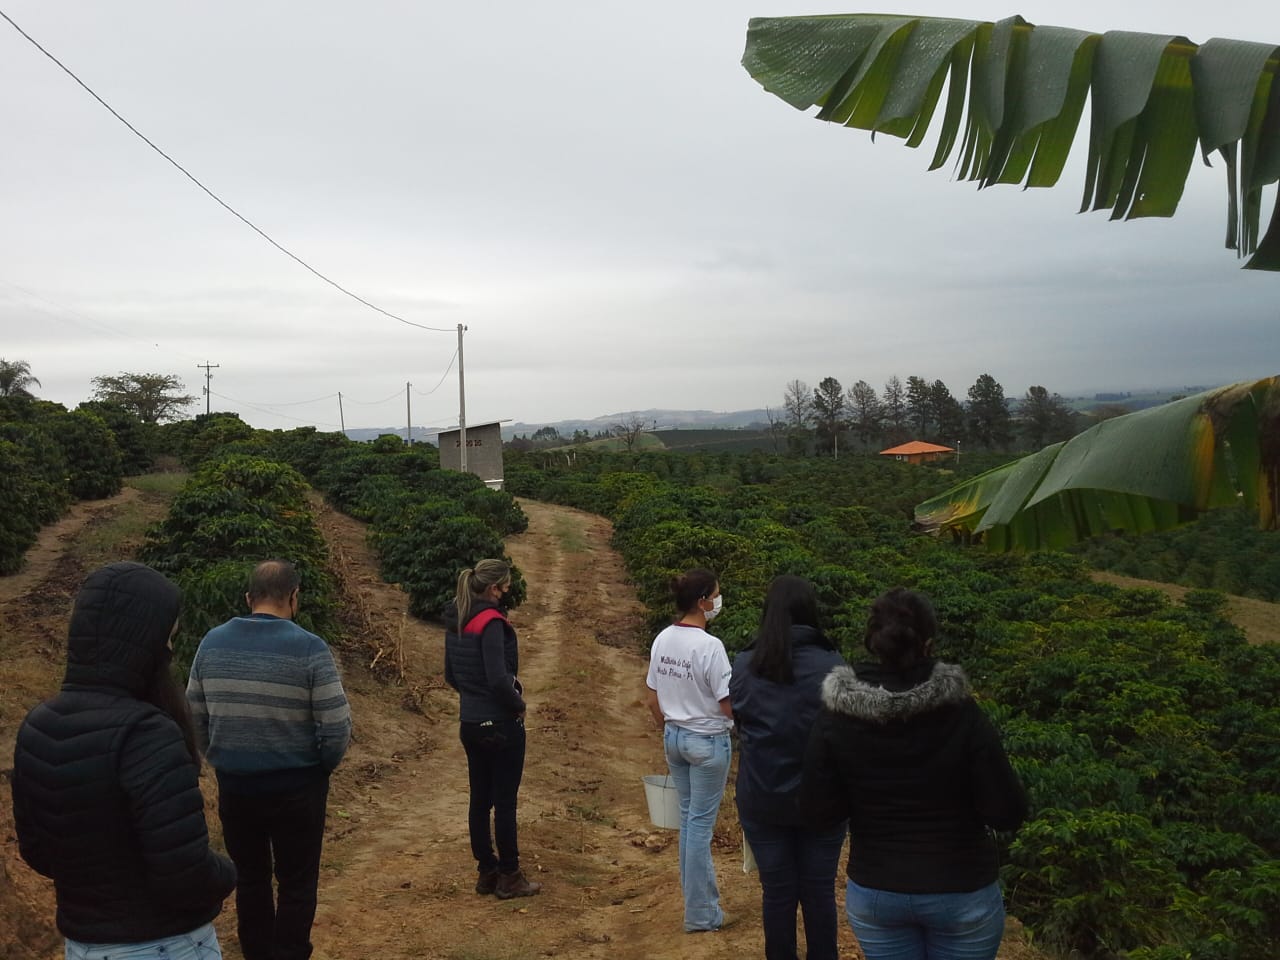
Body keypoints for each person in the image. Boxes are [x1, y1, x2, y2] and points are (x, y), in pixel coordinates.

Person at [11, 561, 236, 960]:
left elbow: (38, 852)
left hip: (83, 946)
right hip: (164, 944)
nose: (170, 650)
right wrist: (228, 873)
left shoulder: (37, 728)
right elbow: (185, 874)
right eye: (168, 639)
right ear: (143, 642)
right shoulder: (148, 735)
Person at [801, 587, 1027, 960]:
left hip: (877, 890)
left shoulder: (836, 715)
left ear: (871, 641)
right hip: (961, 888)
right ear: (929, 643)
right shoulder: (962, 712)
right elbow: (1007, 811)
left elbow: (816, 811)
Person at [186, 559, 351, 960]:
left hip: (236, 784)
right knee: (297, 881)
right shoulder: (311, 648)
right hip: (298, 786)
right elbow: (336, 726)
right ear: (294, 597)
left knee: (251, 878)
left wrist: (220, 756)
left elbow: (194, 713)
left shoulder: (211, 642)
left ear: (248, 598)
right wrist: (321, 766)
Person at [730, 575, 847, 960]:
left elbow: (742, 725)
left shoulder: (745, 664)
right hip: (824, 803)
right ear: (811, 611)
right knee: (819, 893)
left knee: (777, 893)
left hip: (763, 797)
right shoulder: (835, 666)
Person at [443, 558, 541, 899]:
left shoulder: (458, 619)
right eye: (506, 586)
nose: (507, 593)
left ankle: (486, 870)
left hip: (470, 723)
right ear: (493, 587)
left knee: (479, 800)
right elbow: (499, 678)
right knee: (505, 802)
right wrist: (518, 705)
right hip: (500, 723)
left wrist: (474, 698)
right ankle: (510, 875)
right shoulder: (491, 623)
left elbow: (450, 675)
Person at [645, 567, 734, 933]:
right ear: (702, 602)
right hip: (708, 742)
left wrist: (672, 726)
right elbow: (728, 703)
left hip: (675, 738)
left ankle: (697, 903)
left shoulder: (663, 638)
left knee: (687, 822)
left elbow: (652, 697)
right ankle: (701, 913)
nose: (718, 600)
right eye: (716, 594)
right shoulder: (710, 647)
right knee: (699, 828)